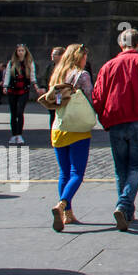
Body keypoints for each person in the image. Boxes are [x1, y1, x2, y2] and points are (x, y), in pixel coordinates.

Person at [92, 28, 138, 231]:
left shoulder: (108, 66)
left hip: (116, 122)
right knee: (135, 167)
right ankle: (124, 205)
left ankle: (127, 211)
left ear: (120, 44)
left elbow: (97, 96)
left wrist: (104, 118)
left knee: (120, 168)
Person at [45, 43, 94, 232]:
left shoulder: (57, 74)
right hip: (77, 128)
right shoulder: (82, 75)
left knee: (64, 173)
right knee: (76, 173)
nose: (86, 60)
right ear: (79, 57)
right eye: (84, 57)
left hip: (58, 127)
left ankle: (68, 214)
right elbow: (90, 97)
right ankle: (62, 204)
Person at [1, 44, 39, 145]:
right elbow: (8, 75)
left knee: (20, 112)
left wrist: (35, 85)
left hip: (23, 90)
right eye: (19, 51)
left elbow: (32, 75)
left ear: (25, 52)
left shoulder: (29, 63)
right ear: (16, 52)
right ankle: (14, 135)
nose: (20, 52)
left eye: (22, 50)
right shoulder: (11, 63)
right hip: (12, 90)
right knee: (13, 113)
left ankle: (19, 135)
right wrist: (5, 86)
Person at [45, 47, 64, 125]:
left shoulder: (65, 67)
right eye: (52, 54)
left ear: (61, 56)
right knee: (52, 114)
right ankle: (52, 133)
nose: (52, 56)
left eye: (54, 54)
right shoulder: (50, 66)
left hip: (61, 94)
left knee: (60, 113)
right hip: (52, 92)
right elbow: (45, 78)